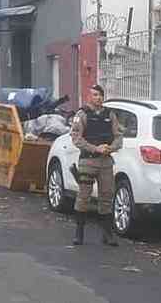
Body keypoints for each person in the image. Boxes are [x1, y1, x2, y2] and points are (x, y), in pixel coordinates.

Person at [69, 84, 123, 246]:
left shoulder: (110, 114)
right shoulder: (82, 114)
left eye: (100, 95)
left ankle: (107, 234)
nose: (97, 98)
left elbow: (118, 136)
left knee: (107, 196)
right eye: (94, 95)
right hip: (88, 161)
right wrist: (95, 148)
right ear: (89, 96)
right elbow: (76, 138)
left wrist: (110, 148)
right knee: (83, 196)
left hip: (105, 161)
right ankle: (79, 234)